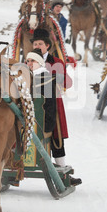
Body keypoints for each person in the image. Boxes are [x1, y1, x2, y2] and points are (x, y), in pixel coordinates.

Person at [30, 29, 81, 186]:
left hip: (53, 103)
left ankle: (61, 168)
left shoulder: (56, 62)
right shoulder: (28, 60)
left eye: (40, 44)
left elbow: (66, 82)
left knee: (56, 135)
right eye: (35, 44)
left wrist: (56, 78)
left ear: (47, 46)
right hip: (32, 102)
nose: (38, 46)